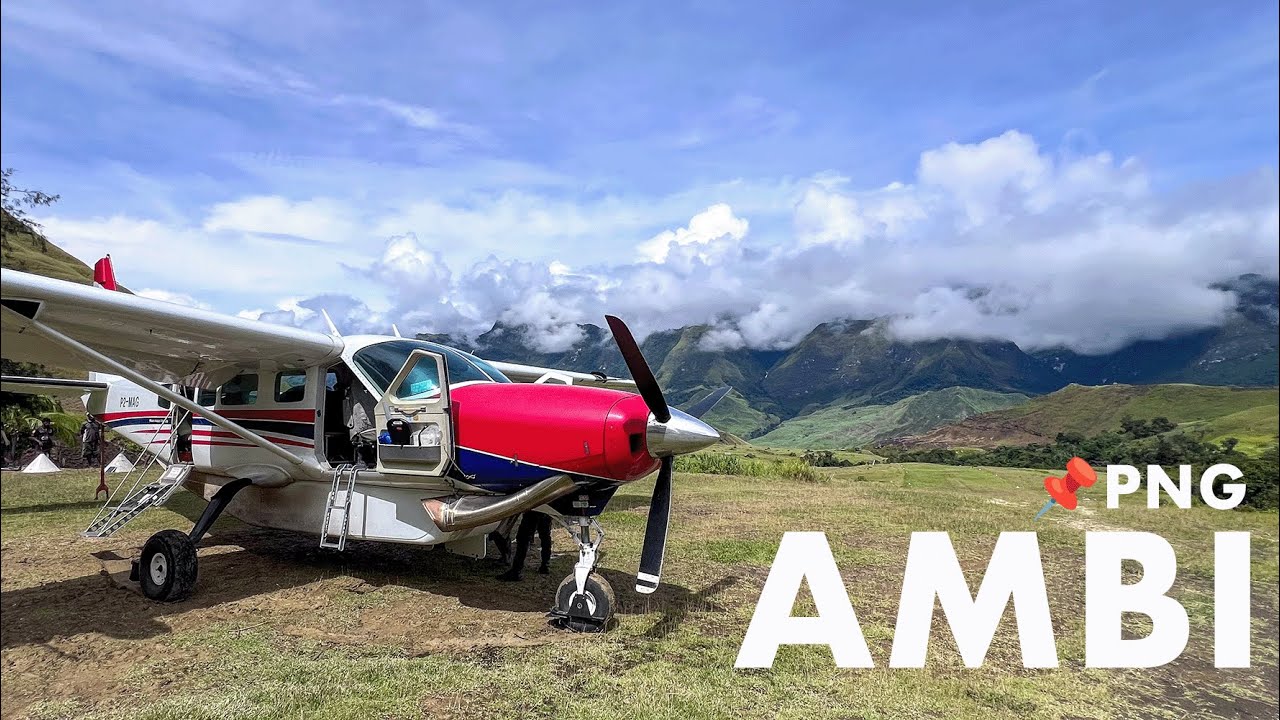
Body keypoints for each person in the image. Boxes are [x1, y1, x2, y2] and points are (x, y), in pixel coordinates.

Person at [497, 511, 553, 582]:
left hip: (533, 510)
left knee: (523, 538)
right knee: (545, 536)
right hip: (545, 508)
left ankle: (516, 571)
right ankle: (545, 565)